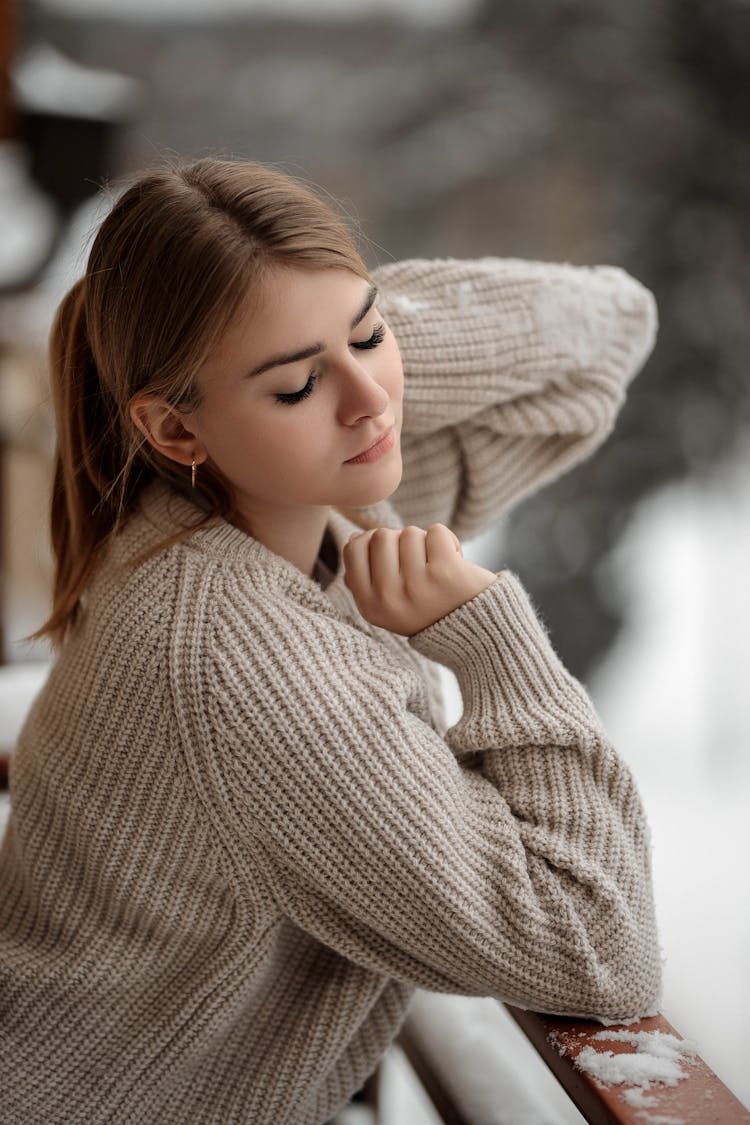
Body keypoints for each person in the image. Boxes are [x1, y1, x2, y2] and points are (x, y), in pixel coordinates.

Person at [0, 157, 662, 1125]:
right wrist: (492, 645)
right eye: (297, 384)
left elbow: (609, 332)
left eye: (373, 333)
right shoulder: (239, 665)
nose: (372, 403)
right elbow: (599, 952)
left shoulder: (252, 505)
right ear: (174, 428)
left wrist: (307, 332)